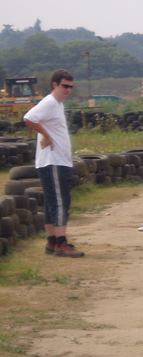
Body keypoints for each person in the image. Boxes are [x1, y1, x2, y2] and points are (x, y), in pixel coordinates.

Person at [23, 69, 85, 257]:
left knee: (53, 202)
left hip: (55, 161)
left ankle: (51, 242)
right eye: (65, 86)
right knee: (60, 202)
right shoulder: (49, 102)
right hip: (54, 161)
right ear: (55, 85)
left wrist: (46, 133)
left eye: (70, 87)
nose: (68, 90)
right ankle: (61, 243)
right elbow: (29, 118)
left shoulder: (57, 104)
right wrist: (47, 135)